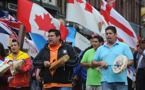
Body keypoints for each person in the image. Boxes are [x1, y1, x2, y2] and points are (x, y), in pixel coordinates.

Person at [92, 26, 134, 90]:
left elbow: (131, 60)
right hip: (106, 81)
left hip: (121, 81)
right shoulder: (100, 48)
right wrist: (100, 63)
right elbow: (93, 62)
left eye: (110, 33)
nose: (108, 35)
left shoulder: (124, 46)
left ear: (116, 35)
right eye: (106, 34)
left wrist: (123, 65)